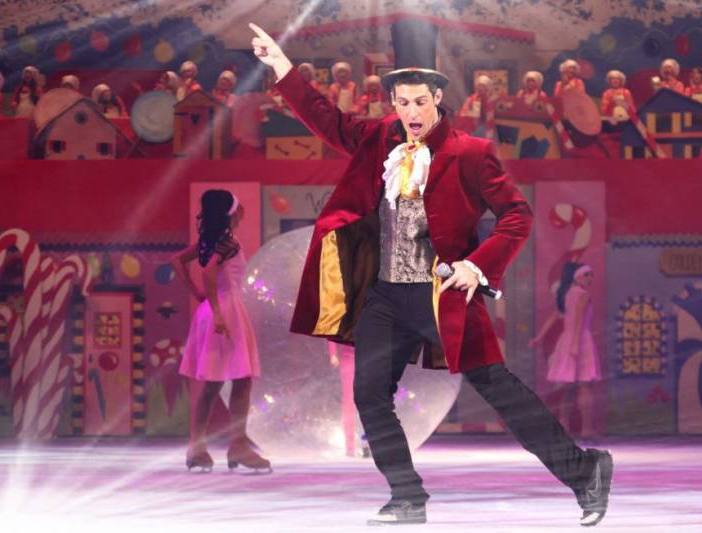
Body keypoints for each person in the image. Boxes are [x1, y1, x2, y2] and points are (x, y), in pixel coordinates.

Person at [250, 19, 612, 528]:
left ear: (438, 98)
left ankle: (584, 470)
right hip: (385, 296)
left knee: (499, 389)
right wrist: (283, 68)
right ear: (392, 102)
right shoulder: (378, 138)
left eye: (421, 101)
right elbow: (326, 119)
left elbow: (517, 215)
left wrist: (476, 264)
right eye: (403, 102)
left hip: (442, 295)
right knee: (369, 395)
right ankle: (407, 495)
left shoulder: (471, 153)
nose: (412, 112)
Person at [172, 189, 270, 473]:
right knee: (242, 379)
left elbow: (177, 260)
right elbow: (209, 272)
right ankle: (237, 444)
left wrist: (197, 294)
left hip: (214, 310)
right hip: (226, 310)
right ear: (232, 213)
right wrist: (216, 310)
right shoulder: (228, 242)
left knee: (213, 383)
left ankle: (197, 446)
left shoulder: (210, 241)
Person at [529, 263, 601, 440]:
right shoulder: (582, 295)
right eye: (586, 275)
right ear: (576, 276)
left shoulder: (567, 295)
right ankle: (586, 429)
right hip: (580, 340)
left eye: (591, 275)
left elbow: (556, 315)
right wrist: (576, 344)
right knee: (585, 385)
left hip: (566, 340)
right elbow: (578, 320)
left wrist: (539, 337)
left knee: (569, 387)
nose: (590, 278)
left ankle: (564, 425)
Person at [458, 74, 496, 138]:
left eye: (485, 89)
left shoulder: (491, 100)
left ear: (488, 89)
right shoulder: (473, 99)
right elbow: (463, 114)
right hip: (474, 128)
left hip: (488, 127)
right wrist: (471, 112)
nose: (482, 91)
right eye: (480, 89)